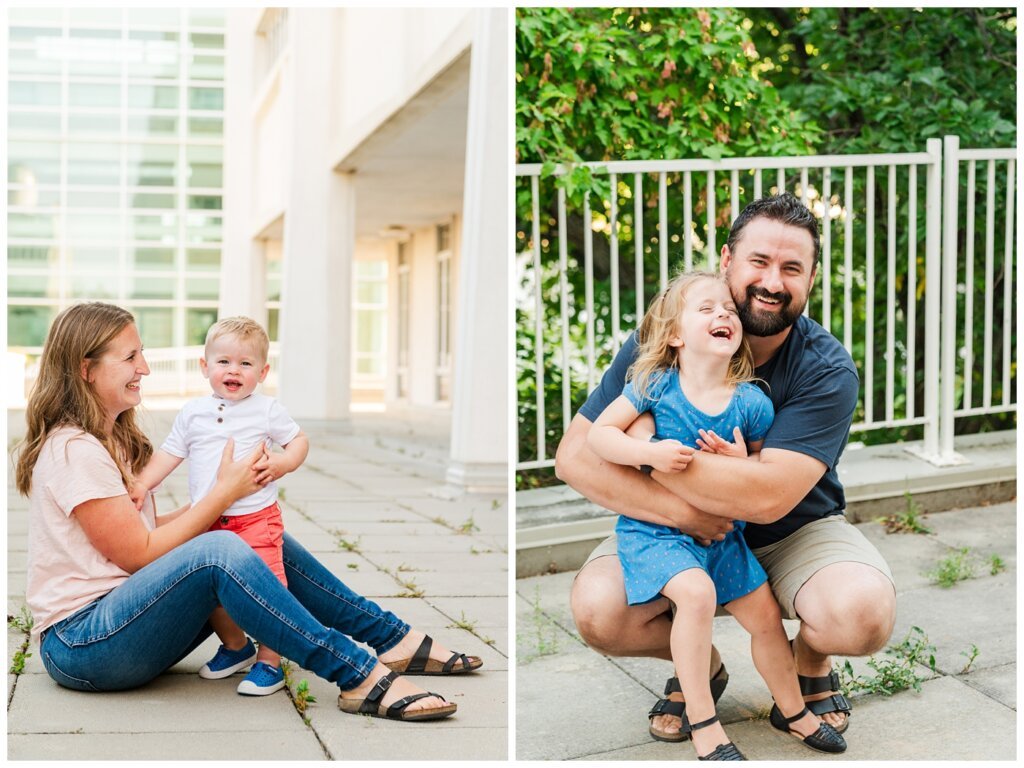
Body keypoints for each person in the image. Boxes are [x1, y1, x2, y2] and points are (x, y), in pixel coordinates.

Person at [17, 302, 481, 723]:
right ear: (86, 369)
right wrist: (221, 495)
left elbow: (136, 532)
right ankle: (357, 673)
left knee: (255, 529)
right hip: (84, 643)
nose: (145, 368)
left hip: (130, 617)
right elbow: (137, 554)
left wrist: (229, 504)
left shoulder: (109, 439)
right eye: (131, 357)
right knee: (222, 543)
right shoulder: (73, 450)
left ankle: (390, 638)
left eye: (142, 354)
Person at [558, 194, 896, 743]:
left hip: (791, 531)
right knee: (600, 611)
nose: (772, 281)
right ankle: (701, 666)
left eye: (792, 268)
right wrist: (681, 512)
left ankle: (808, 662)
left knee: (860, 614)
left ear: (811, 279)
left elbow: (766, 496)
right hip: (672, 531)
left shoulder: (826, 369)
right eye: (759, 262)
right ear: (726, 262)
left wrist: (649, 448)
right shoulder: (664, 340)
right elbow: (575, 456)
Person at [588, 271, 844, 759]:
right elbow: (600, 437)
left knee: (767, 618)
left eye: (727, 310)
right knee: (696, 594)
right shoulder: (654, 386)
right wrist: (650, 455)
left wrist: (737, 462)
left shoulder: (750, 399)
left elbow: (765, 468)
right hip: (657, 534)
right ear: (675, 335)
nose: (723, 314)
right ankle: (706, 726)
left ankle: (794, 712)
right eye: (706, 309)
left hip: (724, 538)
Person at [129, 317, 307, 696]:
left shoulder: (267, 410)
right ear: (204, 366)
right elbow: (170, 453)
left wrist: (284, 462)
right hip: (209, 519)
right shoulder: (193, 413)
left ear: (262, 372)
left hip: (256, 519)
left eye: (246, 364)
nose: (234, 371)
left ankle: (270, 662)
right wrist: (143, 482)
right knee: (209, 589)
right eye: (224, 361)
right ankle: (235, 646)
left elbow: (298, 441)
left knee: (270, 589)